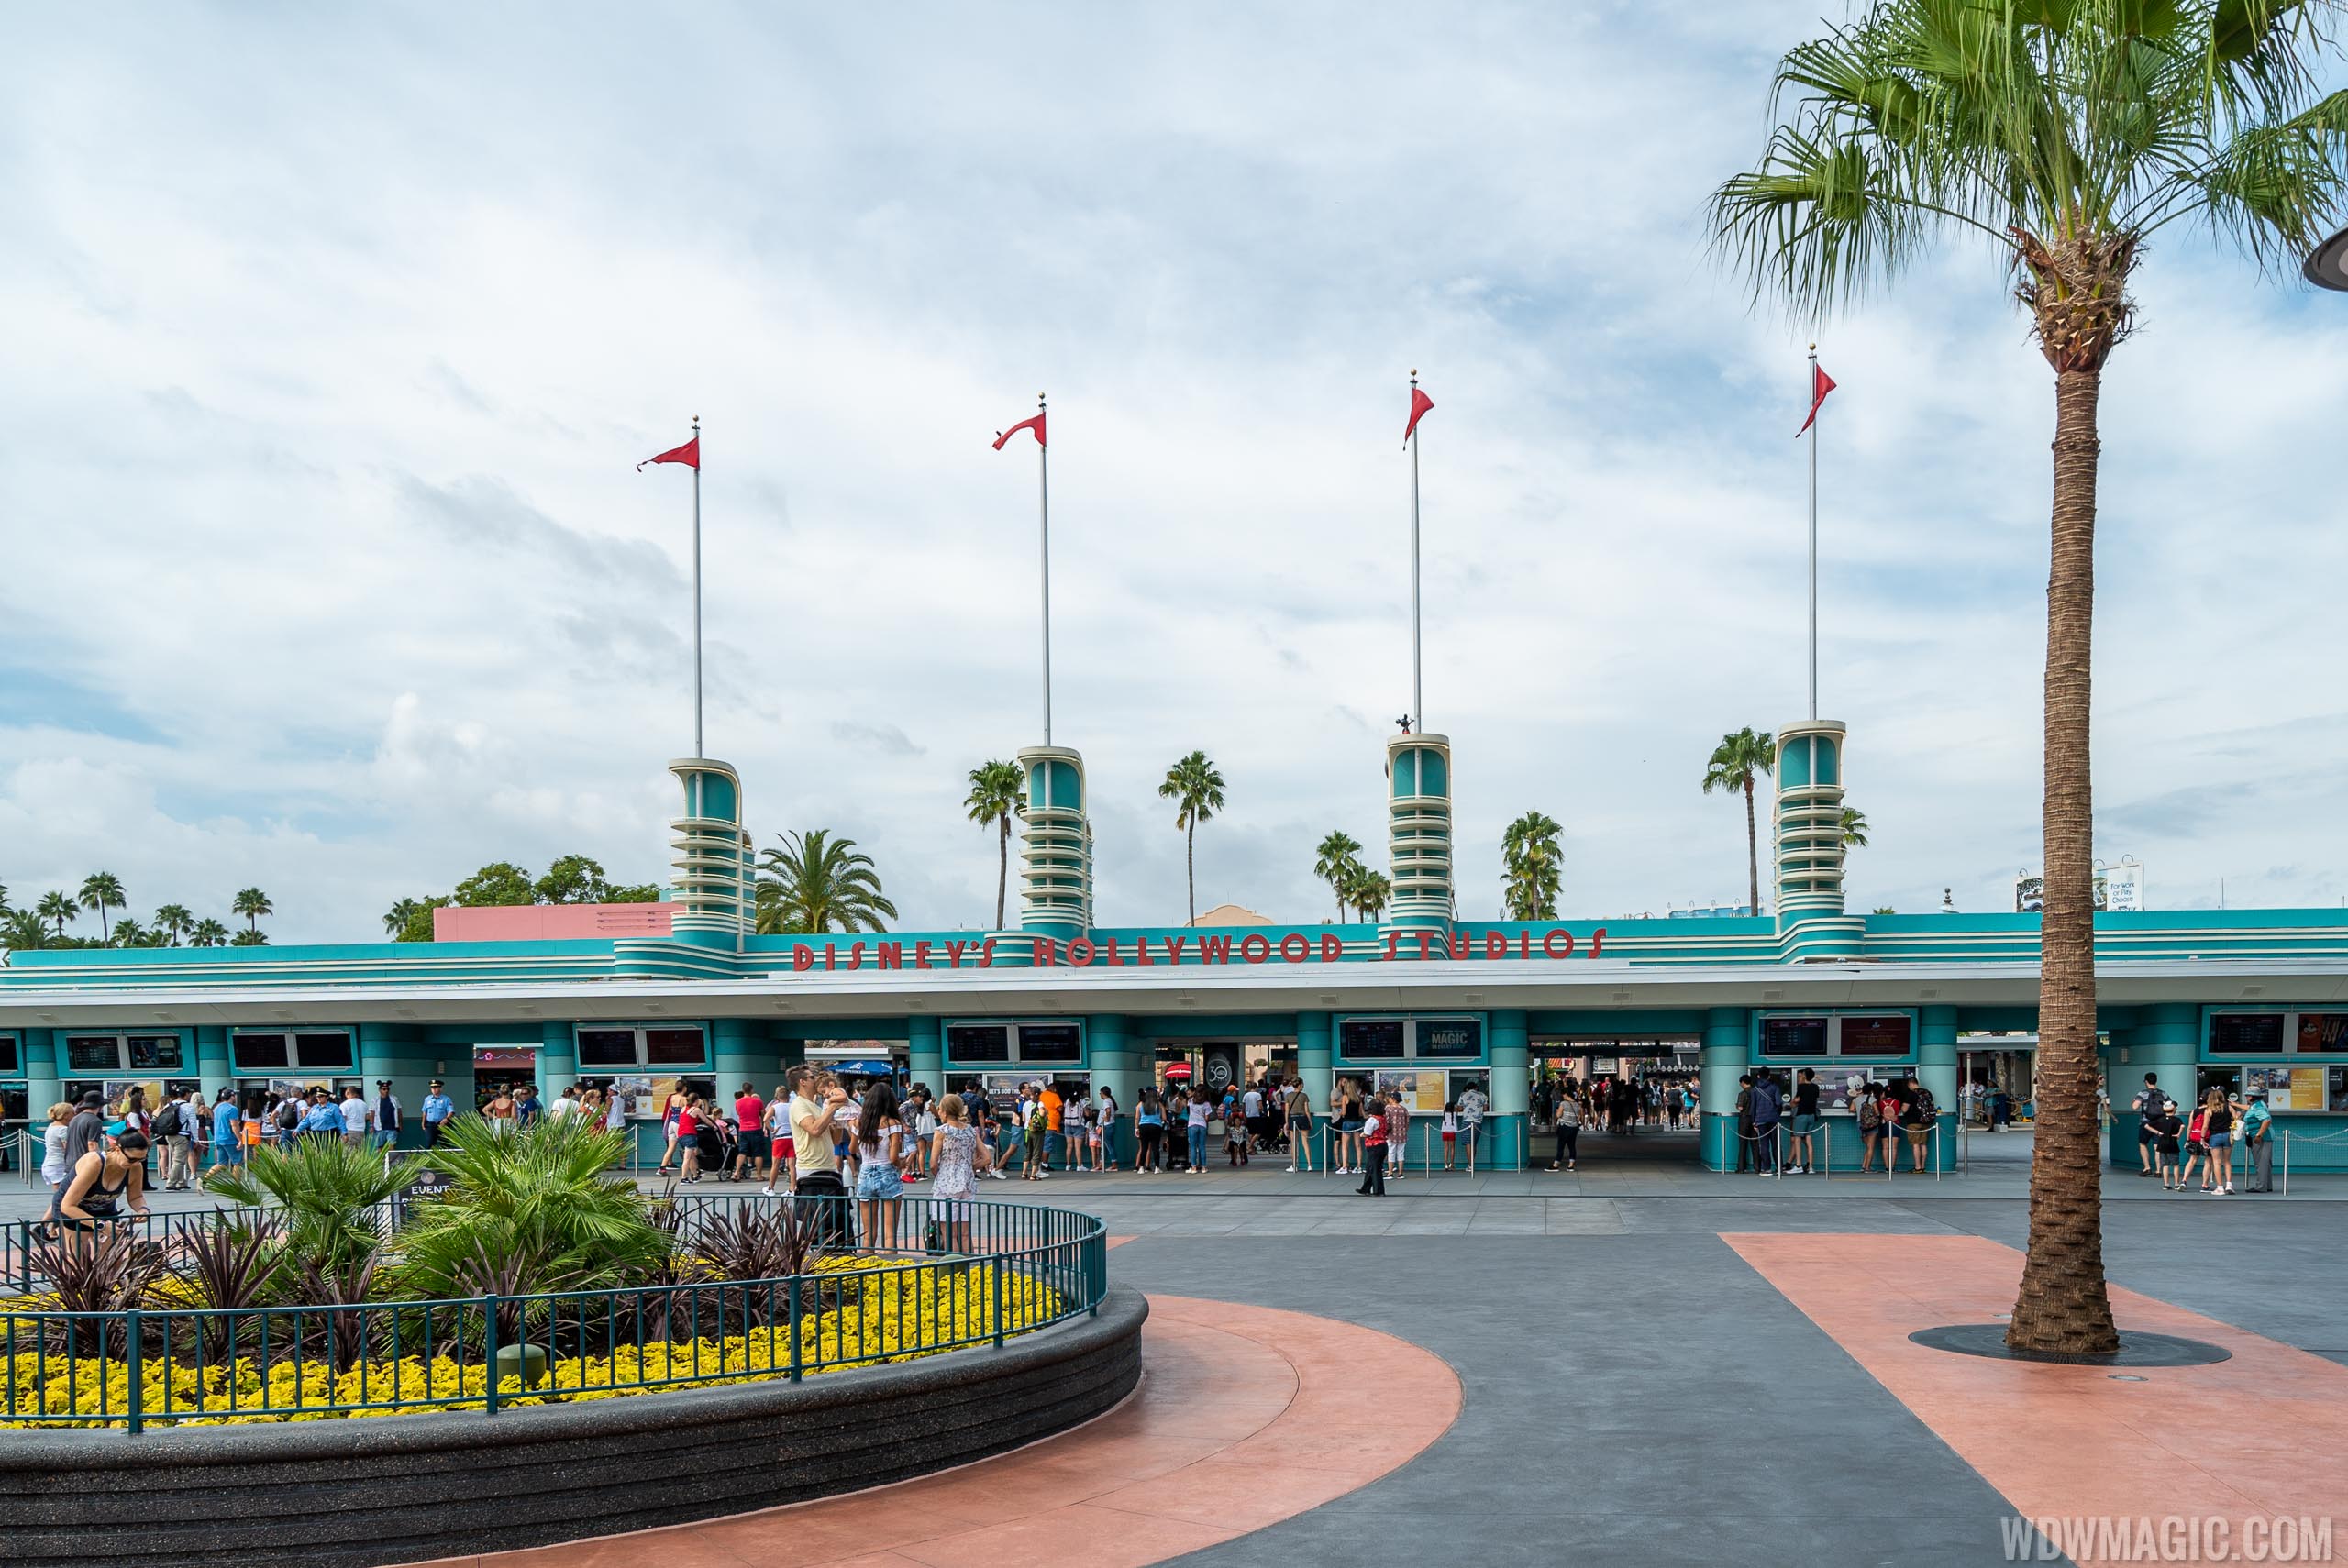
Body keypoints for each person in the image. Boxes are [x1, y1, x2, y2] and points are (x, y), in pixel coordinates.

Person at [790, 1066, 851, 1245]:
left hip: (829, 1167)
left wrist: (838, 1121)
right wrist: (831, 1109)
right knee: (818, 1224)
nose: (816, 1080)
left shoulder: (816, 1106)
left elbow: (835, 1140)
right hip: (811, 1170)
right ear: (802, 1082)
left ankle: (838, 1252)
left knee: (836, 1222)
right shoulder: (799, 1105)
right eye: (811, 1077)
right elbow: (814, 1129)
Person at [50, 1129, 150, 1234]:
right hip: (75, 1210)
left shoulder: (136, 1167)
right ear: (117, 1150)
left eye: (141, 1159)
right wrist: (99, 1225)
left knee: (110, 1249)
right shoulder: (95, 1163)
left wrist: (143, 1210)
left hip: (104, 1210)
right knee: (79, 1249)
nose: (136, 1163)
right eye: (131, 1159)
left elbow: (136, 1197)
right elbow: (67, 1206)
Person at [928, 1092, 988, 1253]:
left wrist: (940, 1173)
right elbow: (987, 1157)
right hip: (967, 1183)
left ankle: (954, 1269)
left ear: (945, 1112)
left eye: (940, 1109)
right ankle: (970, 1265)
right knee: (965, 1233)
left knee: (949, 1234)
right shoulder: (969, 1130)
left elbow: (933, 1163)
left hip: (946, 1184)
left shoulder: (942, 1131)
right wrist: (970, 1166)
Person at [853, 1083, 909, 1252]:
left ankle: (866, 1268)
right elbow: (893, 1157)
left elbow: (852, 1150)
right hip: (887, 1173)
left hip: (865, 1173)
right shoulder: (892, 1123)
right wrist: (902, 1163)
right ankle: (890, 1269)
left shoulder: (859, 1122)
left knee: (868, 1234)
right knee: (890, 1234)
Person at [2200, 1086, 2237, 1196]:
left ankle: (2220, 1187)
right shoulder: (2229, 1107)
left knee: (2217, 1162)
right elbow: (2236, 1120)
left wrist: (2202, 1138)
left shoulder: (2209, 1110)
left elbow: (2205, 1126)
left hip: (2215, 1136)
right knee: (2227, 1161)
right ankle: (2229, 1185)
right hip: (2228, 1136)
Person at [732, 1083, 768, 1186]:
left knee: (742, 1152)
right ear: (751, 1090)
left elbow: (739, 1114)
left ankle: (736, 1172)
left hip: (743, 1129)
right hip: (756, 1128)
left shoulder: (738, 1102)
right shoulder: (757, 1101)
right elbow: (763, 1114)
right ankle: (759, 1175)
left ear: (743, 1090)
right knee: (758, 1153)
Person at [1899, 1074, 1936, 1174]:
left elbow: (1904, 1109)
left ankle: (1917, 1167)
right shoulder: (1927, 1093)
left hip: (1913, 1122)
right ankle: (1923, 1166)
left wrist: (1901, 1108)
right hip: (1925, 1122)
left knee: (1915, 1144)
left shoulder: (1910, 1094)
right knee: (1923, 1144)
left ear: (1910, 1084)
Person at [1787, 1067, 1821, 1175]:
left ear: (1805, 1076)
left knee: (1797, 1139)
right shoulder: (1816, 1087)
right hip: (1811, 1115)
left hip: (1801, 1115)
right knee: (1809, 1141)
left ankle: (1798, 1165)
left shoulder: (1801, 1087)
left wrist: (1792, 1103)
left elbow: (1797, 1100)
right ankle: (1810, 1167)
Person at [1355, 1092, 1389, 1196]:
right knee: (1371, 1167)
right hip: (1383, 1145)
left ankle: (1379, 1191)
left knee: (1374, 1169)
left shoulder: (1372, 1120)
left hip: (1374, 1146)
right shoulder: (1383, 1119)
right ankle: (1365, 1188)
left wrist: (1361, 1135)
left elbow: (1367, 1133)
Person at [2242, 1089, 2276, 1193]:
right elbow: (2249, 1108)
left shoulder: (2258, 1107)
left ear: (2253, 1096)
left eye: (2248, 1095)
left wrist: (2258, 1135)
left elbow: (2266, 1120)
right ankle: (2267, 1185)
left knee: (2260, 1162)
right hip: (2266, 1137)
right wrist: (2234, 1104)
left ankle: (2261, 1186)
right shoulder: (2258, 1104)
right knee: (2265, 1162)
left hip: (2261, 1138)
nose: (2246, 1096)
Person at [1750, 1071, 1783, 1175]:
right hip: (1773, 1119)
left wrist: (1754, 1121)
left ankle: (1767, 1169)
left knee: (1764, 1145)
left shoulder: (1755, 1089)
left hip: (1761, 1120)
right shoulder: (1775, 1087)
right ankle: (1779, 1168)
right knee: (1776, 1144)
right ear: (1769, 1076)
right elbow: (1778, 1103)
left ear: (1758, 1076)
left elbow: (1753, 1107)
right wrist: (1778, 1113)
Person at [39, 1102, 73, 1195]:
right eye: (72, 1113)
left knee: (60, 1195)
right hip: (59, 1165)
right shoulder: (63, 1130)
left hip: (50, 1163)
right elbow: (68, 1148)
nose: (74, 1115)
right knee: (62, 1195)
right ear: (66, 1115)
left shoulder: (51, 1127)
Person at [2149, 1098, 2184, 1189]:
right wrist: (2179, 1134)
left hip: (2162, 1144)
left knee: (2165, 1165)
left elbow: (2147, 1125)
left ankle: (2166, 1184)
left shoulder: (2161, 1120)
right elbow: (2183, 1126)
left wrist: (2157, 1133)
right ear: (2174, 1109)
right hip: (2173, 1144)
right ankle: (2176, 1184)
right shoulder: (2177, 1120)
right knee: (2176, 1165)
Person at [2132, 1073, 2163, 1177]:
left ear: (2146, 1081)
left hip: (2145, 1122)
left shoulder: (2142, 1093)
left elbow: (2135, 1107)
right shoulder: (2163, 1093)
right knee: (2157, 1147)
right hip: (2159, 1123)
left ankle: (2147, 1168)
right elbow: (2170, 1106)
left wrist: (2134, 1101)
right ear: (2156, 1081)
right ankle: (2158, 1171)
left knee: (2142, 1144)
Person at [1855, 1082, 1886, 1174]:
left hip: (1860, 1124)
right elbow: (1877, 1112)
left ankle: (1864, 1166)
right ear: (1871, 1091)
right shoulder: (1872, 1099)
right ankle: (1867, 1168)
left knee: (1868, 1147)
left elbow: (1851, 1109)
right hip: (1871, 1125)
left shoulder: (1856, 1099)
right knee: (1871, 1147)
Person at [1284, 1079, 1313, 1174]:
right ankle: (1309, 1165)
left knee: (1294, 1143)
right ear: (1300, 1085)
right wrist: (1310, 1122)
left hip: (1292, 1118)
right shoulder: (1304, 1096)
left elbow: (1287, 1111)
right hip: (1303, 1118)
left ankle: (1294, 1165)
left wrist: (1287, 1122)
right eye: (1302, 1084)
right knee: (1305, 1143)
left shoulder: (1288, 1096)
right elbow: (1307, 1111)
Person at [1458, 1080, 1488, 1173]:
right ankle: (1472, 1164)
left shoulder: (1463, 1095)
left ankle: (1470, 1165)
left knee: (1468, 1143)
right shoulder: (1483, 1095)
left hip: (1467, 1121)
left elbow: (1459, 1108)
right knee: (1474, 1143)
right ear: (1476, 1087)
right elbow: (1486, 1108)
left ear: (1468, 1088)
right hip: (1477, 1122)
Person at [675, 1095, 705, 1183]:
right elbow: (705, 1119)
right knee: (687, 1158)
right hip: (689, 1135)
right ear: (695, 1101)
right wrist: (713, 1126)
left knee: (691, 1157)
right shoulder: (696, 1109)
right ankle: (683, 1178)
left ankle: (695, 1175)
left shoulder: (683, 1108)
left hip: (681, 1135)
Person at [1135, 1085, 1166, 1173]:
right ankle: (1157, 1167)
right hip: (1156, 1126)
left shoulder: (1140, 1104)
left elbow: (1137, 1117)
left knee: (1144, 1147)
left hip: (1143, 1126)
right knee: (1155, 1147)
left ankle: (1141, 1167)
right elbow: (1164, 1117)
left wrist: (1136, 1128)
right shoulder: (1158, 1104)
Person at [1547, 1091, 1579, 1172]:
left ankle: (1556, 1165)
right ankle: (1571, 1166)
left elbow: (1558, 1115)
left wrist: (1558, 1111)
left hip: (1564, 1127)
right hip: (1574, 1127)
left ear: (1567, 1094)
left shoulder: (1564, 1103)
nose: (1563, 1096)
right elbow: (1579, 1116)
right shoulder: (1577, 1104)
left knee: (1561, 1146)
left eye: (1564, 1094)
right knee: (1572, 1146)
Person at [211, 1088, 242, 1170]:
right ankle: (236, 1183)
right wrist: (240, 1139)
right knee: (237, 1162)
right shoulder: (232, 1109)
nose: (235, 1097)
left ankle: (204, 1180)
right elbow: (234, 1125)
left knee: (221, 1164)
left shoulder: (217, 1108)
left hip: (218, 1138)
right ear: (232, 1097)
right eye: (234, 1095)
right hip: (230, 1139)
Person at [421, 1079, 456, 1147]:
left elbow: (451, 1111)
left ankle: (445, 1157)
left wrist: (446, 1119)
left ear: (440, 1088)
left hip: (443, 1124)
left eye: (436, 1087)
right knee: (430, 1144)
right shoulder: (427, 1099)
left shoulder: (446, 1099)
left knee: (445, 1145)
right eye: (432, 1088)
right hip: (430, 1125)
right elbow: (425, 1112)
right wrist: (423, 1123)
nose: (434, 1089)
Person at [1185, 1085, 1211, 1176]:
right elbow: (1207, 1117)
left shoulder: (1191, 1101)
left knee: (1192, 1147)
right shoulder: (1206, 1103)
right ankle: (1203, 1167)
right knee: (1202, 1146)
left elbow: (1188, 1110)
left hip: (1192, 1125)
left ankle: (1194, 1167)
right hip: (1202, 1125)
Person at [1384, 1091, 1410, 1180]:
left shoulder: (1388, 1108)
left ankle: (1390, 1172)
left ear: (1393, 1099)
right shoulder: (1404, 1109)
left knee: (1391, 1152)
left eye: (1390, 1098)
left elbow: (1385, 1120)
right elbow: (1407, 1122)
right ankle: (1400, 1173)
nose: (1389, 1099)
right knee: (1401, 1153)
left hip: (1391, 1134)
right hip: (1402, 1134)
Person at [371, 1081, 402, 1152]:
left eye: (387, 1089)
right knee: (379, 1147)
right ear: (380, 1090)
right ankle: (381, 1162)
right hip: (379, 1128)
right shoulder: (375, 1100)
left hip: (392, 1127)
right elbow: (372, 1113)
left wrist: (400, 1124)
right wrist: (371, 1125)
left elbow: (399, 1111)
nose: (386, 1091)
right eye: (384, 1089)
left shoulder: (394, 1099)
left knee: (392, 1146)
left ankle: (391, 1162)